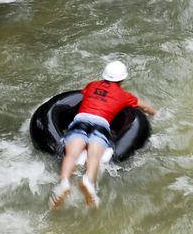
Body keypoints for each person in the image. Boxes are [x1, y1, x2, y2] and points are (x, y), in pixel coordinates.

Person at [50, 60, 156, 209]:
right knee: (94, 157)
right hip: (101, 125)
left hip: (80, 121)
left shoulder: (92, 85)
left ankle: (64, 182)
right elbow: (144, 106)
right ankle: (88, 181)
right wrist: (155, 113)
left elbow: (84, 95)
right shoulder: (124, 95)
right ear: (122, 79)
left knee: (71, 155)